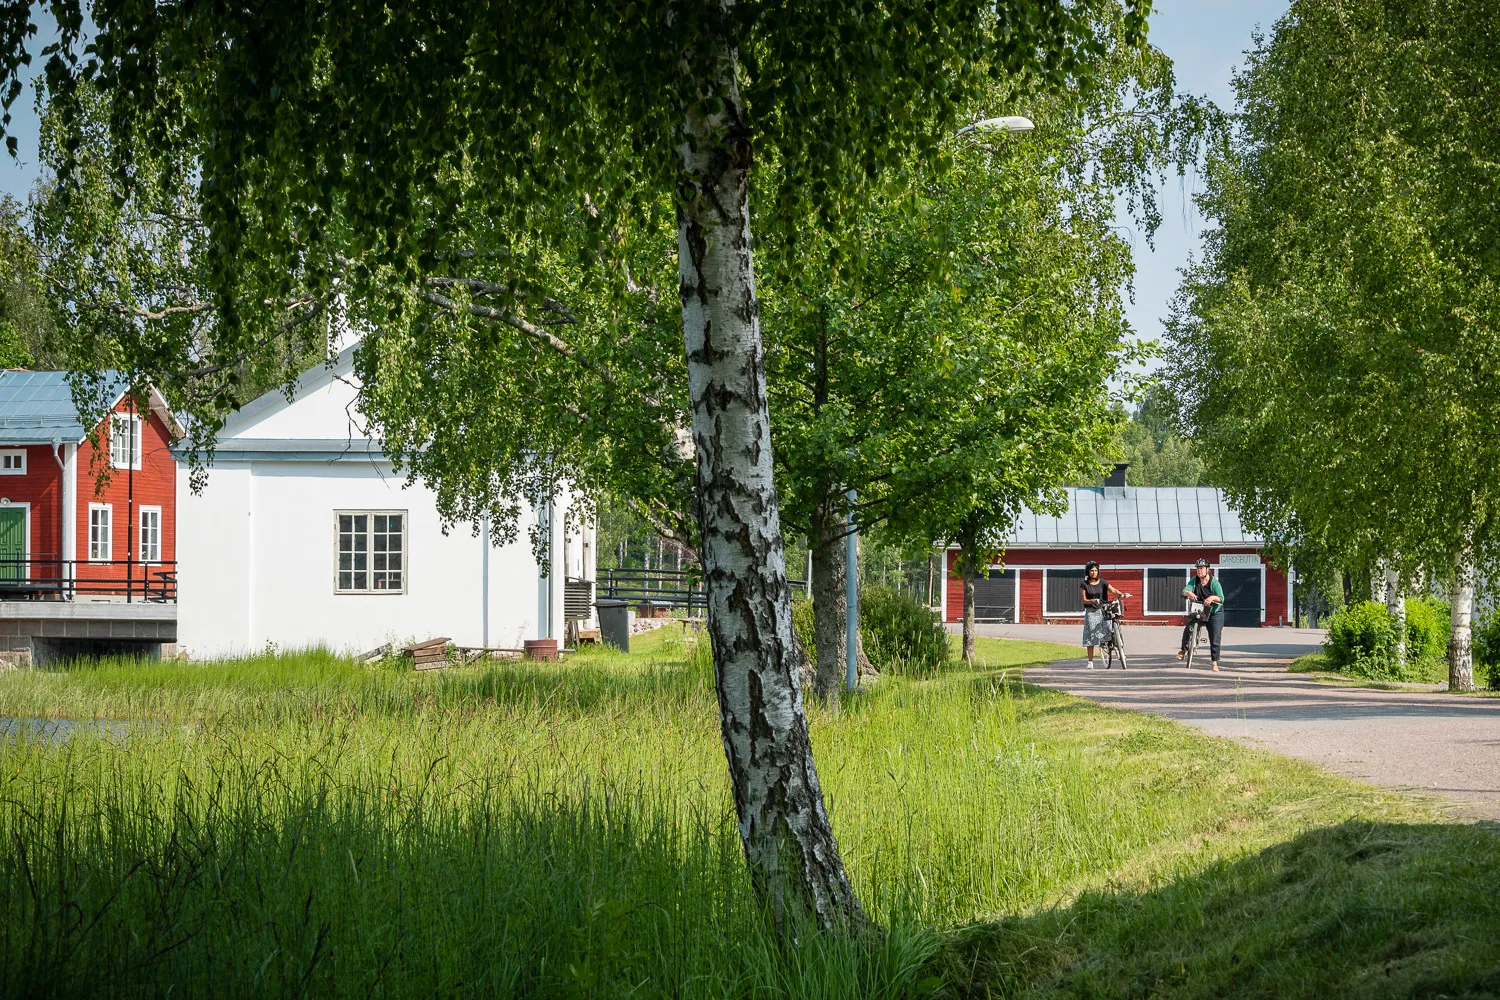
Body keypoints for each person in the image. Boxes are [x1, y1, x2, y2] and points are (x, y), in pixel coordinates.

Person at [1178, 557, 1225, 671]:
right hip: (1200, 609)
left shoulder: (1214, 582)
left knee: (1215, 636)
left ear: (1207, 569)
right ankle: (1183, 650)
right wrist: (1189, 593)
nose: (1199, 571)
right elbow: (1185, 590)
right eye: (1198, 569)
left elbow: (1221, 598)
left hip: (1214, 612)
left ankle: (1214, 663)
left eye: (1202, 568)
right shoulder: (1194, 580)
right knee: (1189, 627)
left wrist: (1212, 597)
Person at [1079, 560, 1128, 669]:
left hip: (1104, 609)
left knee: (1109, 629)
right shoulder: (1084, 584)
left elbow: (1113, 590)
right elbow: (1084, 600)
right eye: (1091, 570)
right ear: (1088, 572)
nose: (1094, 572)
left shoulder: (1103, 582)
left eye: (1096, 570)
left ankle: (1117, 647)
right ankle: (1090, 662)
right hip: (1091, 611)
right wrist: (1093, 601)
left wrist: (1121, 594)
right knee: (1090, 635)